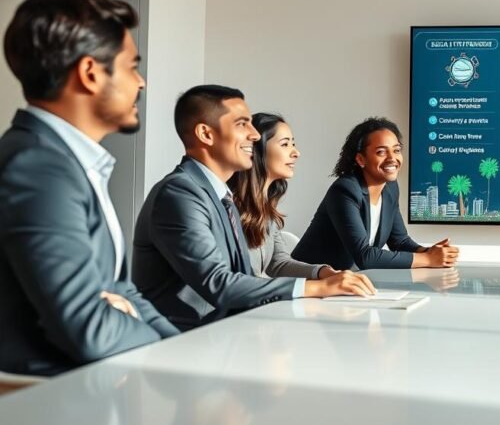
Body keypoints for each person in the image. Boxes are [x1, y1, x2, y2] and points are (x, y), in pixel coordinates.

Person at [0, 0, 177, 375]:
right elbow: (89, 328)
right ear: (90, 73)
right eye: (132, 67)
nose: (141, 82)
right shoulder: (39, 169)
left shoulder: (69, 161)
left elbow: (121, 289)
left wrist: (180, 350)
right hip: (45, 407)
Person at [132, 85, 375, 331]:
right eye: (242, 124)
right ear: (206, 134)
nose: (255, 135)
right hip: (185, 340)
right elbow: (219, 284)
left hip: (223, 332)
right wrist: (318, 286)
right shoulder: (180, 194)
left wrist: (322, 276)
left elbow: (250, 275)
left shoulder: (219, 196)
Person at [292, 117, 459, 270]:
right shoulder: (345, 190)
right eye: (381, 152)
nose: (392, 158)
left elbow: (400, 242)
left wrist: (431, 252)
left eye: (396, 150)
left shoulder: (390, 188)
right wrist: (428, 259)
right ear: (361, 159)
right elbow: (365, 257)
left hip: (344, 284)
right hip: (308, 282)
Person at [227, 112, 348, 281]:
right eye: (285, 144)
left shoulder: (266, 206)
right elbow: (237, 279)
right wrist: (314, 288)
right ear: (257, 149)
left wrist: (325, 273)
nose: (296, 152)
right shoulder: (227, 207)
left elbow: (279, 263)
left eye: (293, 144)